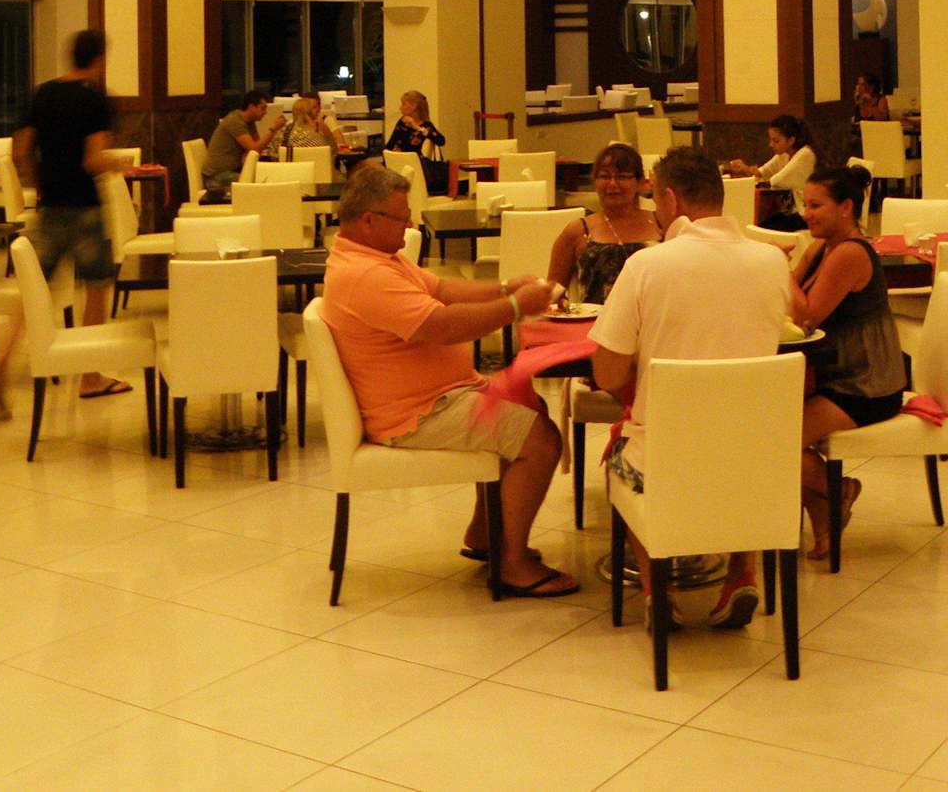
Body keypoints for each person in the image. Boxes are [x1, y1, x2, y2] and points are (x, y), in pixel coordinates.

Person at [320, 163, 577, 597]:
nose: (409, 226)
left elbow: (443, 290)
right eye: (401, 218)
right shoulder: (365, 275)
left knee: (530, 405)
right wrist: (516, 307)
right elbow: (442, 326)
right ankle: (512, 564)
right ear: (368, 220)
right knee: (540, 440)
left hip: (437, 396)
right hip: (417, 414)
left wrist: (506, 287)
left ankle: (485, 535)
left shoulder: (377, 259)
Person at [590, 147, 792, 630]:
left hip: (669, 460)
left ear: (671, 199)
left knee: (616, 459)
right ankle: (741, 573)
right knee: (738, 446)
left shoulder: (648, 265)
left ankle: (656, 590)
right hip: (757, 460)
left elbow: (608, 375)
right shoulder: (772, 261)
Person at [0, 30, 130, 418]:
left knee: (33, 290)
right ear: (98, 59)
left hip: (49, 207)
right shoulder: (96, 100)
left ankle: (0, 363)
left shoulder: (43, 94)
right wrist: (119, 164)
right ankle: (91, 376)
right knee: (96, 287)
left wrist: (39, 183)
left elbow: (20, 150)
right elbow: (92, 160)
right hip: (86, 208)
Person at [789, 166, 906, 560]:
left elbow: (806, 315)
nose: (807, 214)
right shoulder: (820, 249)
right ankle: (827, 518)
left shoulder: (851, 254)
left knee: (775, 441)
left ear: (845, 208)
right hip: (834, 376)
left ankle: (839, 489)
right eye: (805, 205)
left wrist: (776, 269)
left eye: (816, 206)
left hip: (865, 385)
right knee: (770, 429)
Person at [547, 142, 659, 302]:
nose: (612, 184)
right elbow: (552, 295)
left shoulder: (661, 224)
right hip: (595, 317)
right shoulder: (578, 231)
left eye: (622, 177)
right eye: (605, 176)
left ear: (641, 183)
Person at [202, 89, 273, 195]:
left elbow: (257, 147)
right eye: (262, 108)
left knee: (264, 177)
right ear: (251, 107)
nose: (265, 112)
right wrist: (273, 129)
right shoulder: (235, 121)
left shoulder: (249, 122)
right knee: (254, 183)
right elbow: (255, 148)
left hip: (232, 171)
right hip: (216, 176)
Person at [384, 89, 449, 194]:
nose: (400, 107)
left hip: (414, 162)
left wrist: (417, 128)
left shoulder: (426, 126)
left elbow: (441, 141)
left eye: (404, 104)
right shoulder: (402, 122)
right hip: (398, 159)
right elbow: (391, 143)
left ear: (414, 106)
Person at [269, 91, 347, 158]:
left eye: (314, 107)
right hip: (319, 169)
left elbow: (274, 153)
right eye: (312, 108)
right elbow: (334, 151)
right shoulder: (319, 135)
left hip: (291, 169)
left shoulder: (285, 131)